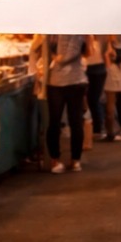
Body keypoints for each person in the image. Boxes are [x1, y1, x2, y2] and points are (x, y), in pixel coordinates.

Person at [45, 34, 89, 173]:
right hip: (56, 82)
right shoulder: (49, 32)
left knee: (74, 121)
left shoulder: (74, 32)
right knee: (55, 122)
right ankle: (56, 160)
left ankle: (74, 160)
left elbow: (67, 56)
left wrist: (53, 58)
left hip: (73, 81)